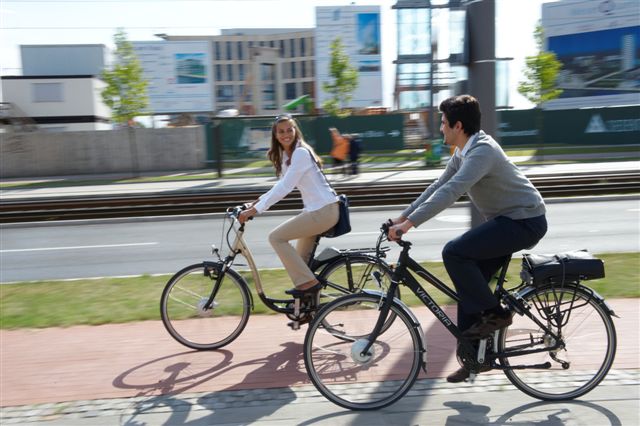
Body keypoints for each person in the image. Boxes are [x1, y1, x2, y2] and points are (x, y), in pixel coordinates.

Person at [386, 95, 548, 383]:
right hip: (506, 221)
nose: (441, 129)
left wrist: (410, 225)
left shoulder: (481, 151)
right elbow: (439, 185)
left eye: (443, 123)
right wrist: (402, 217)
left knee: (454, 253)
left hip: (525, 221)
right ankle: (476, 358)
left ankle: (497, 315)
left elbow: (452, 191)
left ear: (458, 125)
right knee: (469, 290)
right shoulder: (463, 150)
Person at [239, 114, 339, 297]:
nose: (286, 134)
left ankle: (310, 286)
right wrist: (255, 203)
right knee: (300, 264)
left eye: (289, 130)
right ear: (275, 135)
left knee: (276, 238)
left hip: (323, 211)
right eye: (281, 131)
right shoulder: (288, 156)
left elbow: (285, 187)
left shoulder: (300, 153)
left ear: (296, 131)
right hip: (318, 211)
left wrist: (256, 209)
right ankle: (310, 308)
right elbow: (279, 185)